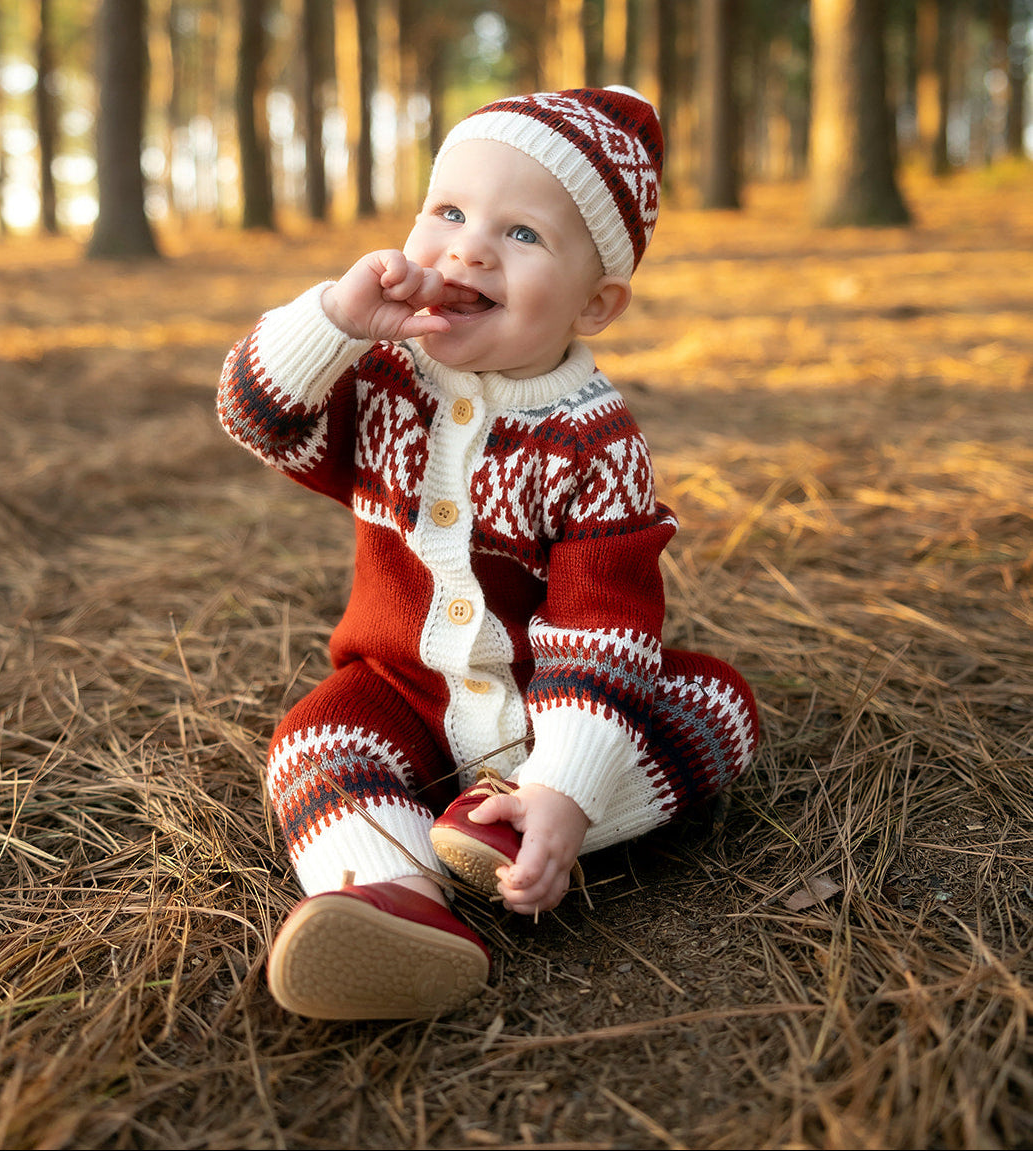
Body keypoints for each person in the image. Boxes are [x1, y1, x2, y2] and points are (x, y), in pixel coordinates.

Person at [217, 87, 759, 1021]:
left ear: (596, 304)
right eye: (450, 213)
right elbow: (259, 416)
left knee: (716, 702)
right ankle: (392, 896)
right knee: (312, 739)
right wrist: (333, 321)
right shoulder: (383, 377)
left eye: (522, 235)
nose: (467, 249)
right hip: (403, 689)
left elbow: (603, 630)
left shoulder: (597, 445)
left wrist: (566, 782)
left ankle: (526, 824)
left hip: (550, 709)